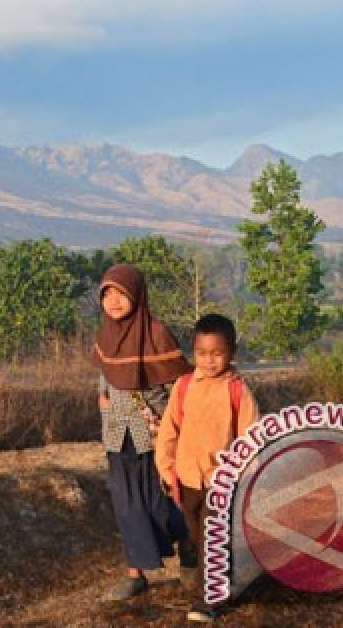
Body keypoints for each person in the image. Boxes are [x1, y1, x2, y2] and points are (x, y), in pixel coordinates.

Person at [93, 263, 193, 602]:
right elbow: (105, 373)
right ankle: (135, 574)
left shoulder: (157, 334)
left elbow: (181, 389)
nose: (114, 302)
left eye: (121, 293)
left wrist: (166, 421)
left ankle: (193, 539)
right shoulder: (105, 335)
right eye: (107, 294)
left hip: (152, 436)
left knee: (156, 504)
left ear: (137, 294)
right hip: (116, 433)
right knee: (125, 505)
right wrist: (102, 395)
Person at [155, 313, 259, 624]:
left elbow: (251, 438)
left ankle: (207, 599)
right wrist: (166, 466)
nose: (209, 360)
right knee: (194, 535)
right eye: (202, 353)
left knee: (214, 539)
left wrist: (243, 474)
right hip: (187, 478)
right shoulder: (184, 386)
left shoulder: (237, 391)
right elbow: (168, 429)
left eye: (217, 353)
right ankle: (212, 574)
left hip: (221, 481)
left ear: (232, 352)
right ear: (193, 352)